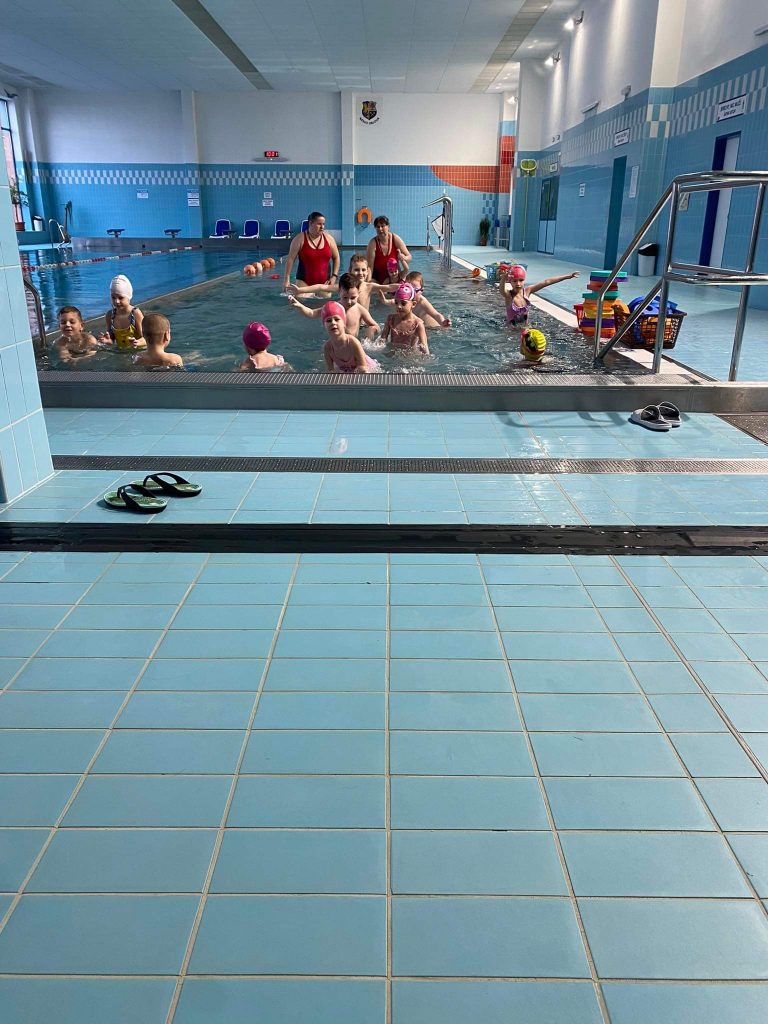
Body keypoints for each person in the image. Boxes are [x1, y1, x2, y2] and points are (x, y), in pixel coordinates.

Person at [288, 272, 380, 339]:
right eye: (345, 297)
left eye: (353, 298)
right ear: (339, 292)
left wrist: (371, 329)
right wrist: (299, 305)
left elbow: (377, 326)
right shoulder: (334, 308)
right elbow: (312, 313)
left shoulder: (360, 310)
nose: (349, 301)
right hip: (336, 346)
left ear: (358, 294)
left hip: (353, 346)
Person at [501, 263, 579, 327]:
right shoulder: (509, 296)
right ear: (510, 282)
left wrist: (567, 276)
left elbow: (547, 282)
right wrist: (504, 278)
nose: (518, 283)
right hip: (511, 331)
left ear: (524, 280)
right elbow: (501, 290)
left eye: (521, 280)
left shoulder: (527, 291)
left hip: (525, 329)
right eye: (515, 281)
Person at [282, 211, 340, 291]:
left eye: (323, 224)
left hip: (324, 284)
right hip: (303, 283)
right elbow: (290, 259)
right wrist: (286, 279)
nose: (322, 227)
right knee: (301, 298)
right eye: (319, 224)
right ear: (311, 223)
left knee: (325, 299)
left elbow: (336, 257)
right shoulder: (299, 239)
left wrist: (334, 276)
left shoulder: (329, 239)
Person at [322, 301, 379, 373]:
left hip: (370, 370)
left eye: (337, 319)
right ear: (324, 325)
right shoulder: (327, 348)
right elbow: (330, 372)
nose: (333, 323)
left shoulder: (353, 343)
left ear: (344, 323)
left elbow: (363, 369)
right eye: (328, 320)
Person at [381, 282, 429, 356]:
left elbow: (424, 346)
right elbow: (382, 339)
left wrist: (425, 355)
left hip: (409, 357)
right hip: (392, 354)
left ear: (413, 304)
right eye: (396, 303)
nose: (399, 306)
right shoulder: (391, 319)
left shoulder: (418, 324)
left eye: (403, 303)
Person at [101, 274, 145, 349]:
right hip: (121, 352)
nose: (117, 301)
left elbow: (146, 338)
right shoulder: (110, 315)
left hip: (139, 352)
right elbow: (112, 340)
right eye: (113, 297)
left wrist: (137, 343)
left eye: (121, 298)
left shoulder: (135, 314)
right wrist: (108, 341)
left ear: (129, 296)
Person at [366, 215, 411, 284]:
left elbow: (409, 257)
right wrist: (368, 283)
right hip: (380, 279)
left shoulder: (395, 239)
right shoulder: (372, 243)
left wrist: (403, 258)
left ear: (388, 226)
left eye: (382, 226)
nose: (380, 229)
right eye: (378, 227)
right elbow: (370, 267)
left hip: (395, 277)